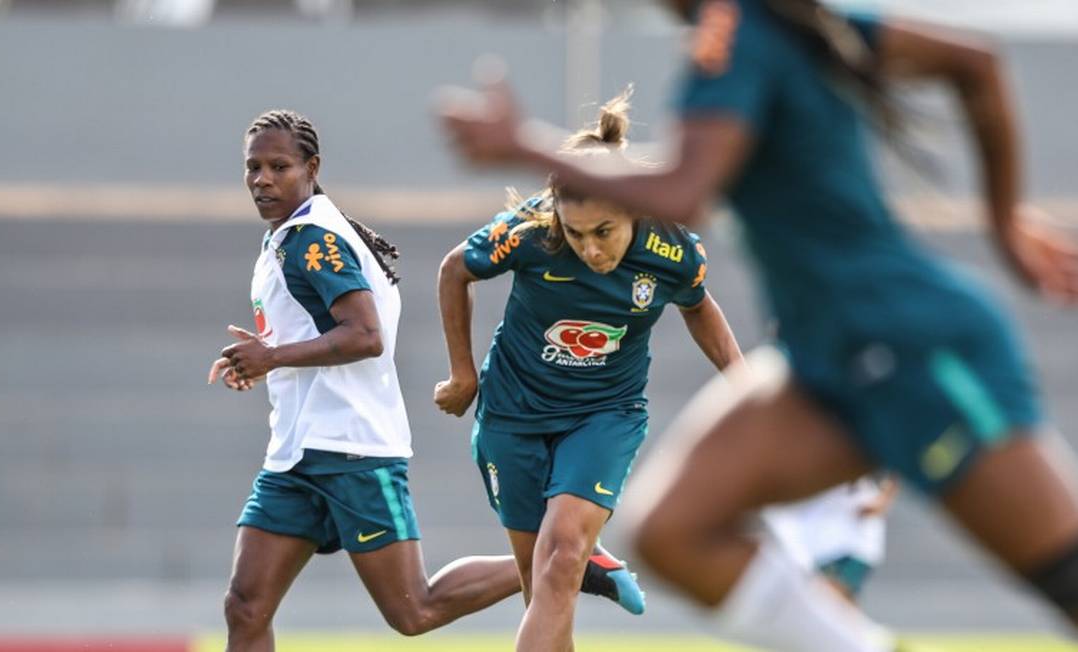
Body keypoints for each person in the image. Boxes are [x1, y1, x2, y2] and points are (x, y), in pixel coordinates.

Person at [438, 1, 1078, 650]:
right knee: (669, 530)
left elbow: (685, 190)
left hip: (908, 338)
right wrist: (1004, 224)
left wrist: (525, 146)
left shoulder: (734, 31)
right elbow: (974, 63)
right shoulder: (792, 23)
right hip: (825, 357)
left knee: (1067, 578)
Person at [209, 109, 641, 652]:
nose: (262, 179)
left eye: (278, 166)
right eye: (252, 168)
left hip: (351, 449)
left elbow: (365, 335)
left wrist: (271, 357)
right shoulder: (288, 238)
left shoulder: (313, 239)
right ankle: (557, 558)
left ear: (312, 168)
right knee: (245, 606)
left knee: (415, 610)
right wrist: (261, 358)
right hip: (295, 453)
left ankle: (561, 561)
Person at [434, 89, 745, 652]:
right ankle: (585, 556)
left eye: (603, 232)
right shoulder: (529, 232)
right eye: (575, 235)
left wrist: (743, 385)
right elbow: (455, 269)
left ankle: (584, 547)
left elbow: (700, 307)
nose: (589, 249)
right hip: (514, 412)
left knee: (561, 559)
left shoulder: (671, 247)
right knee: (544, 591)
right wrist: (463, 376)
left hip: (605, 414)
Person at [765, 476, 899, 602]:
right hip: (819, 550)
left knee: (835, 600)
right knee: (831, 603)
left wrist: (886, 495)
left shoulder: (859, 478)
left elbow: (873, 507)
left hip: (850, 548)